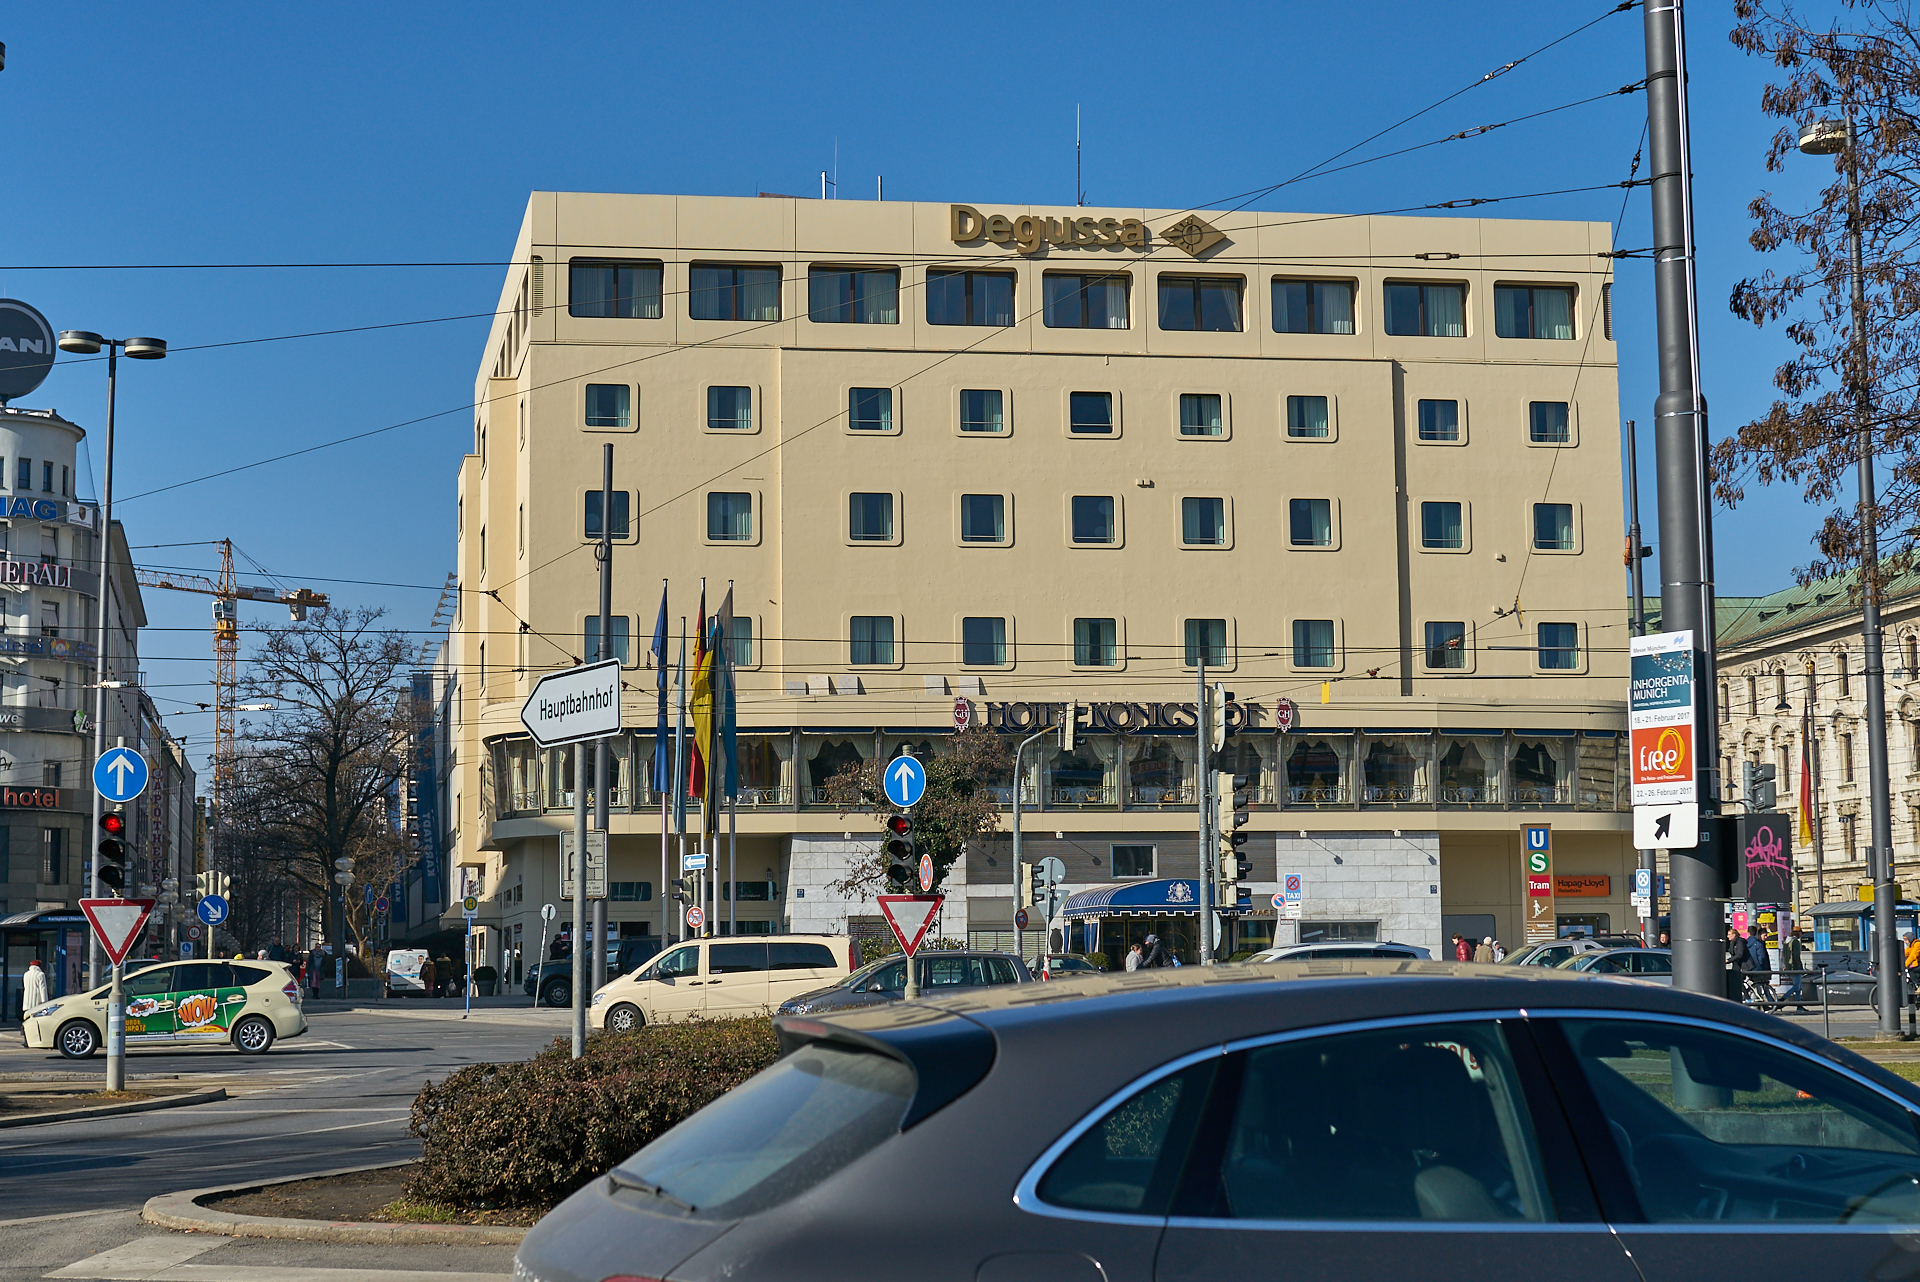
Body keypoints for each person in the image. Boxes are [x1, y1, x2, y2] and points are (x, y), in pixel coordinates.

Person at [1781, 925, 1811, 1011]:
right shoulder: (1795, 942)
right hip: (1795, 966)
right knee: (1796, 986)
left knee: (1798, 987)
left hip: (1789, 966)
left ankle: (1799, 1005)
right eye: (1801, 933)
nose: (1801, 934)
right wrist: (1800, 967)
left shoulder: (1787, 941)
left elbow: (1784, 954)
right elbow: (1796, 956)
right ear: (1798, 933)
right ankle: (1782, 999)